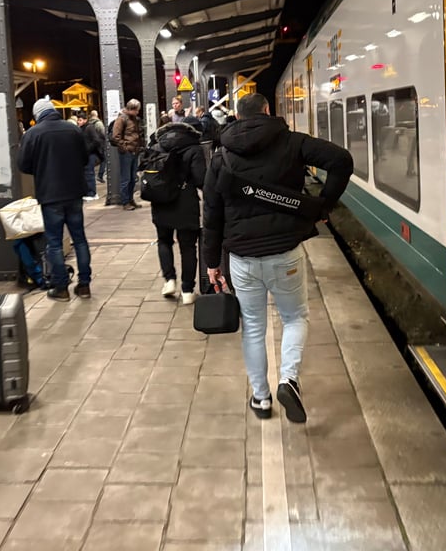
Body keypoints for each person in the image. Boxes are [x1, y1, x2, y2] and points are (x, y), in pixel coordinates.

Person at [203, 93, 353, 423]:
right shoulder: (292, 142)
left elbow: (211, 214)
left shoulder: (221, 156)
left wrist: (212, 263)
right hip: (285, 253)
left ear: (237, 117)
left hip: (242, 258)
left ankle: (261, 399)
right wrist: (322, 205)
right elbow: (341, 160)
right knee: (295, 317)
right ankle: (289, 380)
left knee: (253, 328)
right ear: (268, 111)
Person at [18, 99, 92, 301]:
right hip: (75, 192)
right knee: (80, 239)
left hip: (50, 195)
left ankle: (61, 288)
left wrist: (41, 168)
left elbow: (23, 165)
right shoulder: (73, 130)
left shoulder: (33, 133)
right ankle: (84, 285)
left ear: (37, 114)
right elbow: (86, 158)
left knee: (54, 243)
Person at [148, 118, 206, 304]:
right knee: (188, 247)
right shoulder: (194, 148)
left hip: (161, 201)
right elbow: (200, 179)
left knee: (164, 241)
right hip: (186, 202)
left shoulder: (157, 147)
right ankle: (188, 290)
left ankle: (169, 280)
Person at [111, 98, 145, 211]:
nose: (138, 112)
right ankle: (125, 202)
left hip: (134, 151)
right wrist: (125, 148)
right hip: (127, 152)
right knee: (126, 178)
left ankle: (130, 200)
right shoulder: (121, 119)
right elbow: (116, 136)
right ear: (131, 109)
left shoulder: (134, 119)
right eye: (136, 110)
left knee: (132, 178)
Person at [82, 109, 107, 200]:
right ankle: (91, 192)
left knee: (89, 173)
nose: (78, 122)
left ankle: (92, 193)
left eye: (80, 120)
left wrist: (88, 149)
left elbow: (95, 140)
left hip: (90, 153)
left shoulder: (88, 127)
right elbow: (102, 136)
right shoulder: (97, 124)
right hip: (92, 152)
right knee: (89, 173)